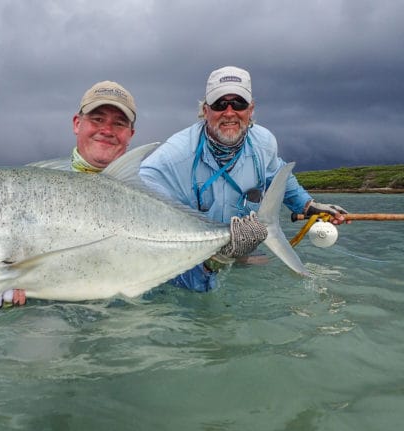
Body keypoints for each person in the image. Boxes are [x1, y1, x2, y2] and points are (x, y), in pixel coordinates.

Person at [139, 65, 349, 292]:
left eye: (238, 103)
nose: (229, 113)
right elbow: (136, 199)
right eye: (220, 104)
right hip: (191, 259)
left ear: (251, 109)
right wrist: (213, 259)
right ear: (205, 110)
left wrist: (308, 205)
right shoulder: (172, 157)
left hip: (243, 249)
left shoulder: (264, 142)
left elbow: (277, 175)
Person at [0, 80, 137, 309]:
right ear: (77, 124)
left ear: (130, 135)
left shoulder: (149, 191)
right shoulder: (29, 187)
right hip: (50, 314)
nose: (107, 130)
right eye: (97, 120)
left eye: (118, 124)